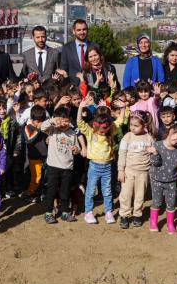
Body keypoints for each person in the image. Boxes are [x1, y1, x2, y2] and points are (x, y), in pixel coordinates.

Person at [78, 95, 125, 225]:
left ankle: (109, 211)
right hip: (94, 166)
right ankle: (88, 212)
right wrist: (81, 107)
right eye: (102, 129)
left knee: (108, 190)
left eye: (106, 129)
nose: (104, 131)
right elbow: (80, 123)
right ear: (95, 125)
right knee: (91, 190)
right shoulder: (90, 132)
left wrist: (123, 107)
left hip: (107, 166)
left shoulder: (111, 131)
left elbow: (120, 120)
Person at [149, 124, 177, 234]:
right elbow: (155, 163)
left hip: (171, 181)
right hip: (157, 180)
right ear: (171, 131)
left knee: (171, 203)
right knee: (157, 202)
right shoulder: (157, 145)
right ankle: (153, 223)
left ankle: (170, 224)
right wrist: (155, 153)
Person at [40, 106, 81, 224]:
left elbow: (77, 148)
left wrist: (76, 150)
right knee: (51, 191)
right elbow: (43, 127)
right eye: (61, 121)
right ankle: (48, 212)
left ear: (70, 120)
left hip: (67, 167)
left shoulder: (73, 134)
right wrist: (53, 121)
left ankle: (64, 212)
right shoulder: (53, 130)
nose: (64, 124)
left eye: (66, 121)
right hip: (53, 166)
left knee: (65, 191)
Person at [117, 110, 157, 229]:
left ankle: (137, 215)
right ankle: (124, 215)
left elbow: (153, 155)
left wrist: (154, 154)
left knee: (140, 196)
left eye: (136, 125)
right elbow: (122, 153)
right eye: (131, 125)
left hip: (143, 172)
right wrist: (121, 170)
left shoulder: (149, 138)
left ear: (144, 125)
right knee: (126, 194)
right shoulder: (127, 137)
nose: (132, 128)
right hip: (128, 171)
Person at [60, 19, 99, 86]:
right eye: (79, 30)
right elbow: (64, 69)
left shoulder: (95, 46)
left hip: (93, 86)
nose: (82, 32)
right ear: (73, 31)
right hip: (74, 88)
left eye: (84, 29)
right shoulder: (67, 48)